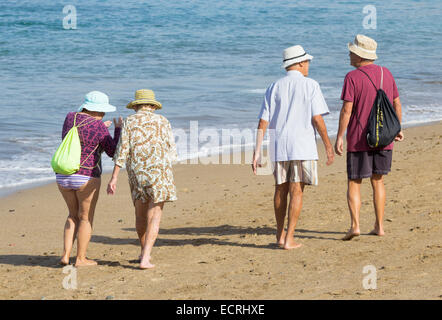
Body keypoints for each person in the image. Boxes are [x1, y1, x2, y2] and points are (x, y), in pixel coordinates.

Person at [252, 45, 334, 250]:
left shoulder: (273, 86)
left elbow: (263, 121)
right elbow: (317, 119)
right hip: (302, 145)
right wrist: (328, 146)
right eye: (307, 62)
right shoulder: (311, 85)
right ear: (299, 63)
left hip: (279, 146)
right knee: (297, 190)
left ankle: (280, 236)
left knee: (280, 189)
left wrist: (256, 151)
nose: (308, 66)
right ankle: (289, 238)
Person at [335, 34, 404, 241]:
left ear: (358, 55)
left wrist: (340, 136)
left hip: (359, 139)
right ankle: (379, 226)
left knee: (354, 182)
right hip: (384, 136)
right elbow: (396, 103)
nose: (348, 54)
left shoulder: (352, 77)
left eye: (351, 51)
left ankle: (355, 226)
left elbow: (347, 110)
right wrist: (397, 128)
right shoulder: (386, 73)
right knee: (378, 181)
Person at [107, 89, 177, 269]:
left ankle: (142, 251)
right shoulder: (163, 121)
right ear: (153, 106)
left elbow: (122, 150)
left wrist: (114, 177)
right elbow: (172, 152)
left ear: (136, 105)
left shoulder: (129, 122)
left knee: (140, 214)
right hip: (159, 171)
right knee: (155, 215)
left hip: (137, 172)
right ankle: (146, 257)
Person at [57, 91, 122, 266]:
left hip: (63, 174)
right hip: (86, 176)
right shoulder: (99, 126)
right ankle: (80, 259)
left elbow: (79, 137)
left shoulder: (70, 118)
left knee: (72, 215)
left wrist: (102, 128)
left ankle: (65, 255)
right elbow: (112, 151)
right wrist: (116, 130)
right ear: (100, 110)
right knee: (85, 218)